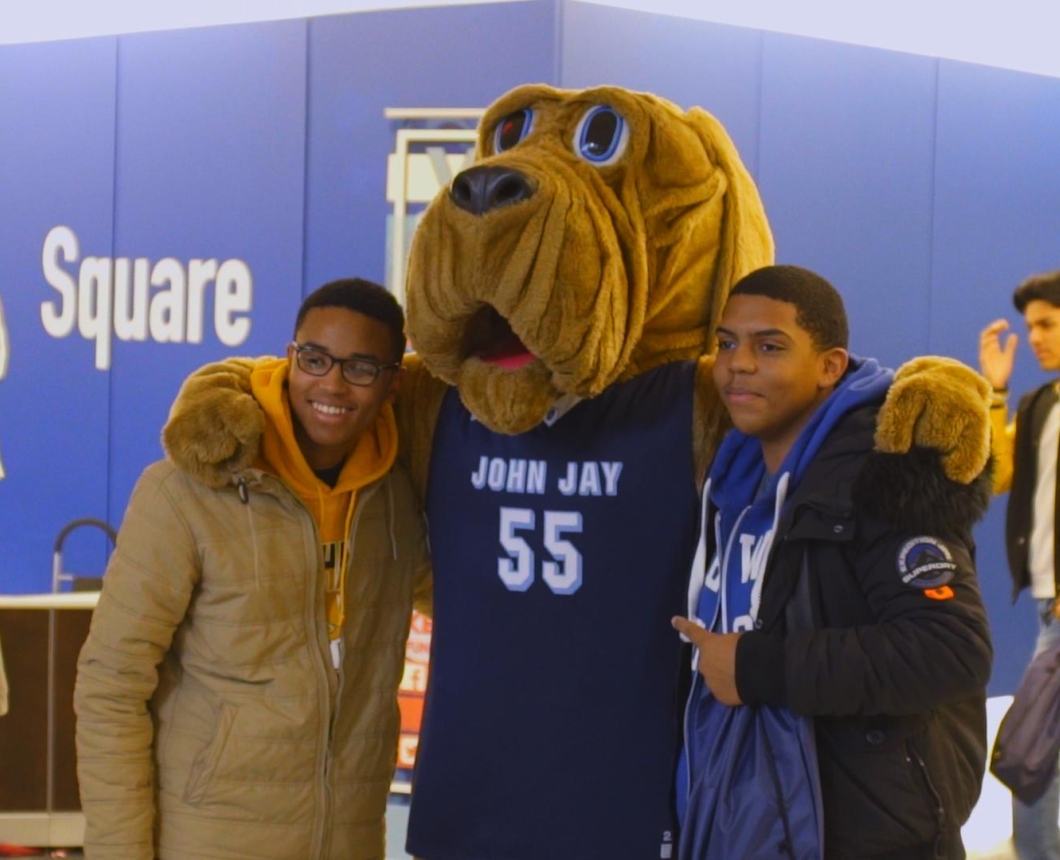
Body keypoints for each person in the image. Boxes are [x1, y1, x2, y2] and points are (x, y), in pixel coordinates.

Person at [74, 278, 431, 860]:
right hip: (208, 840)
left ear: (393, 383)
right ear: (291, 358)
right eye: (315, 359)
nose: (332, 384)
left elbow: (459, 598)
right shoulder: (184, 492)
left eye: (361, 367)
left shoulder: (395, 496)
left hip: (351, 840)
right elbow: (110, 688)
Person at [673, 265, 992, 859]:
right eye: (726, 344)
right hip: (753, 819)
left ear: (830, 366)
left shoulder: (882, 472)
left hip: (864, 831)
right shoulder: (733, 479)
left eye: (769, 346)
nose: (738, 363)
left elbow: (950, 650)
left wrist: (756, 667)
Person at [980, 269, 1060, 860]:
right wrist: (996, 392)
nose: (1034, 338)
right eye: (1032, 326)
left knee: (1032, 750)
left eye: (1047, 324)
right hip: (1045, 599)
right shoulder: (1038, 404)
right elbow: (998, 474)